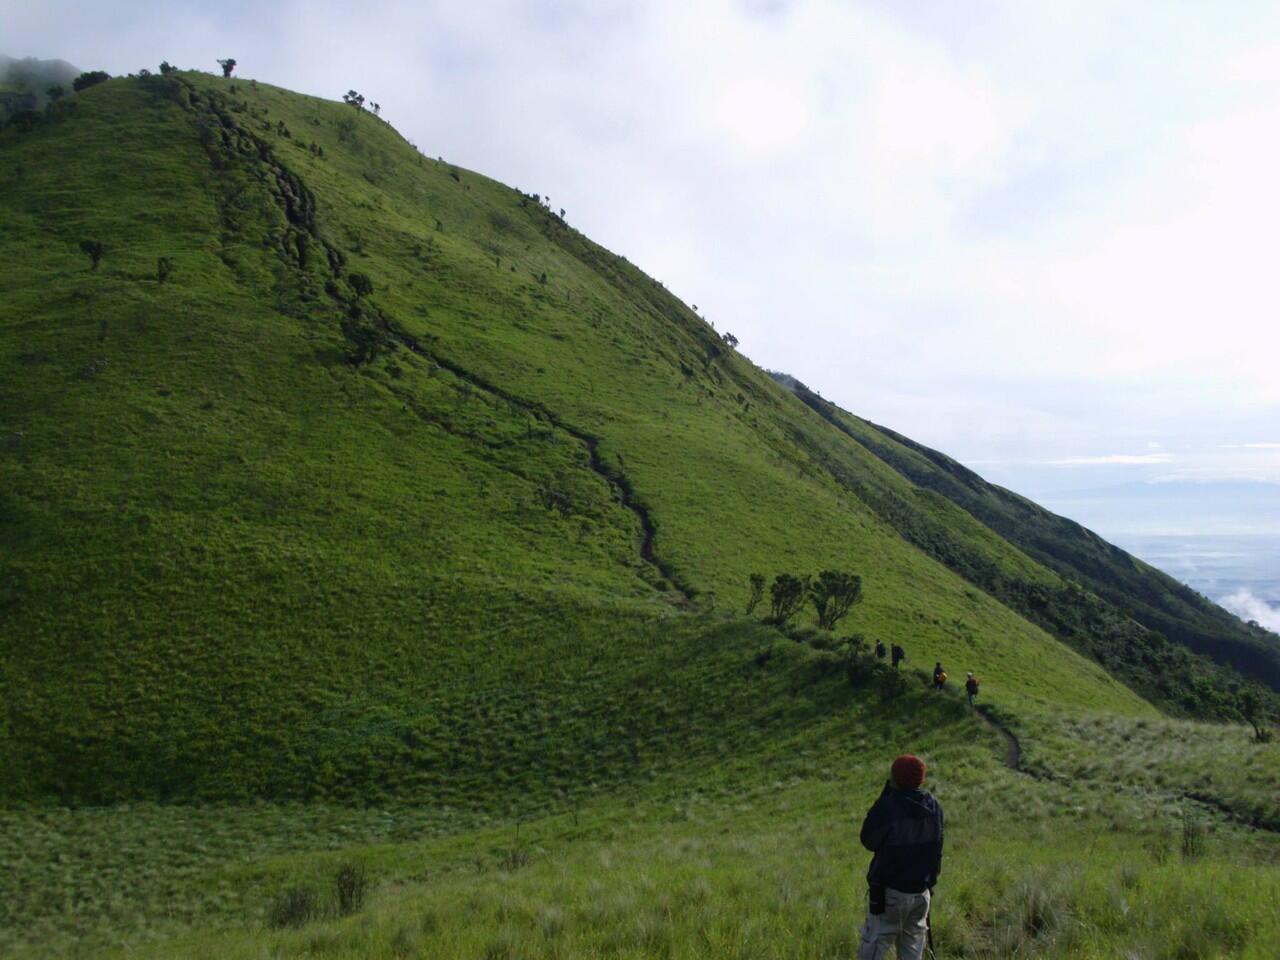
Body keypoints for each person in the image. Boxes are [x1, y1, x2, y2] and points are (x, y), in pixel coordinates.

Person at [855, 755, 944, 960]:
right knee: (912, 950)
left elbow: (868, 840)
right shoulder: (933, 806)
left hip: (891, 893)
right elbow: (937, 850)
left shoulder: (888, 807)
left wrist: (883, 798)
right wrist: (931, 883)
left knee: (874, 948)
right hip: (921, 891)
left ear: (896, 778)